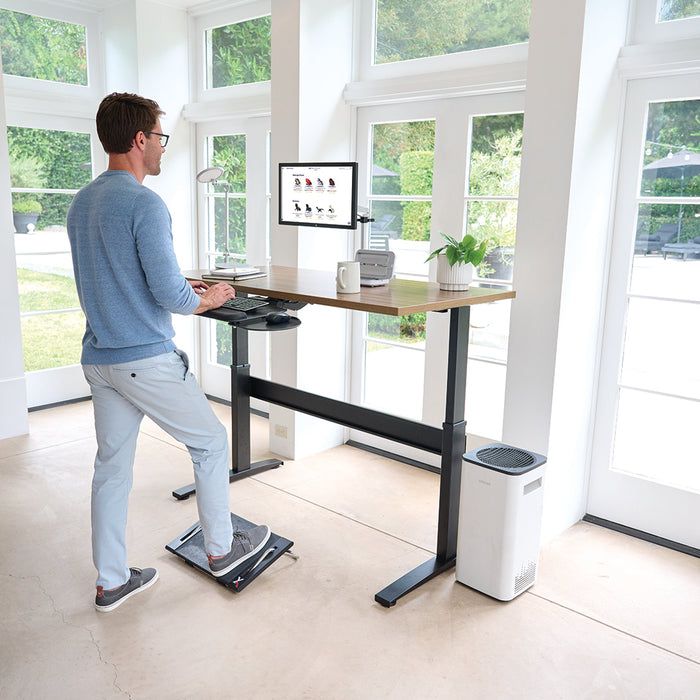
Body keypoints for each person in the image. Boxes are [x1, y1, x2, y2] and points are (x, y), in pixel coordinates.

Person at [67, 92, 270, 612]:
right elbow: (169, 297)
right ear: (139, 140)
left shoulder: (83, 201)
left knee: (111, 468)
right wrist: (209, 297)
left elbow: (113, 275)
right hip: (144, 359)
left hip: (101, 358)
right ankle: (223, 552)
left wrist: (181, 283)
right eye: (160, 137)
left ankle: (111, 581)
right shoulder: (143, 202)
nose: (162, 148)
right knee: (210, 443)